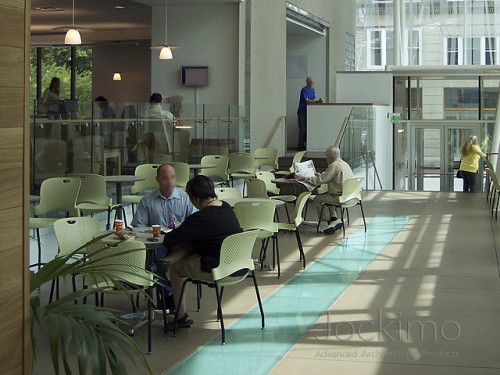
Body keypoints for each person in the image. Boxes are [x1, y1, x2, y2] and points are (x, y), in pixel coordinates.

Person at [158, 175, 243, 329]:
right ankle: (163, 262)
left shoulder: (201, 217)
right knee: (193, 244)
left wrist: (181, 227)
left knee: (176, 269)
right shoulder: (225, 207)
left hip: (219, 267)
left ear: (195, 198)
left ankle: (181, 316)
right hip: (238, 263)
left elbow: (171, 240)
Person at [131, 163, 196, 308]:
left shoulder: (185, 198)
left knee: (167, 260)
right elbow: (138, 227)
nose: (170, 182)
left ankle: (168, 296)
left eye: (172, 177)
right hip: (158, 243)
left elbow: (196, 223)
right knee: (155, 263)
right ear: (158, 179)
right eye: (165, 178)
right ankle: (169, 293)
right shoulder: (147, 200)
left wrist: (183, 226)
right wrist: (151, 231)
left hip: (180, 244)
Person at [295, 145, 353, 235]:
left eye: (326, 155)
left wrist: (304, 178)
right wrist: (321, 175)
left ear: (330, 156)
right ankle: (334, 220)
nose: (326, 157)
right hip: (350, 195)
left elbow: (319, 181)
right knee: (328, 195)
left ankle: (329, 222)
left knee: (317, 199)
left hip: (339, 196)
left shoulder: (334, 166)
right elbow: (328, 178)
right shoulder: (344, 163)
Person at [297, 77, 323, 151]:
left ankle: (305, 145)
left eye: (312, 82)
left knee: (308, 129)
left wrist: (318, 101)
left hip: (309, 112)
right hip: (302, 111)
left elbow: (313, 100)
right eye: (310, 82)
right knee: (302, 129)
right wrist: (316, 101)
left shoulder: (312, 90)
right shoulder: (304, 90)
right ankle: (300, 146)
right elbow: (307, 100)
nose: (311, 84)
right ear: (307, 82)